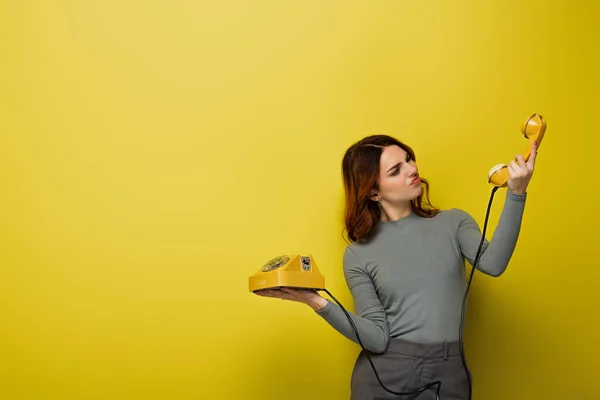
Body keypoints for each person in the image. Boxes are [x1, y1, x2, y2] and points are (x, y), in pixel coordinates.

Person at [256, 134, 537, 400]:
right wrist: (314, 300)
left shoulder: (454, 223)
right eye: (395, 170)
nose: (411, 169)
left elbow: (494, 263)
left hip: (448, 369)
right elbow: (377, 339)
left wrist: (516, 193)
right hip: (383, 376)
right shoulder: (357, 254)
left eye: (408, 159)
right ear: (374, 192)